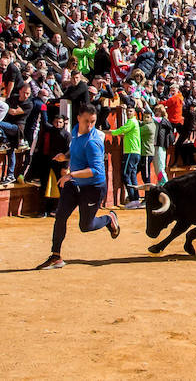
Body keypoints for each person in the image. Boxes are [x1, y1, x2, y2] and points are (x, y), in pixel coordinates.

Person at [35, 103, 120, 269]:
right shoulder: (75, 131)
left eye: (93, 122)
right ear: (78, 118)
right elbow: (74, 149)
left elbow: (95, 170)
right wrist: (65, 157)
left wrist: (71, 174)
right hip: (74, 184)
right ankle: (56, 256)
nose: (89, 125)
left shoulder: (93, 142)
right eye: (86, 121)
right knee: (60, 216)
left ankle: (109, 219)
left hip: (92, 187)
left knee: (86, 226)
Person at [110, 104, 142, 205]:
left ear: (134, 113)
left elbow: (121, 130)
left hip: (130, 152)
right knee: (132, 175)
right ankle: (135, 198)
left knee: (126, 174)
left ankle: (132, 199)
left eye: (131, 111)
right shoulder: (134, 122)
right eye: (127, 111)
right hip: (135, 152)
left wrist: (110, 132)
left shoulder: (131, 122)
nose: (129, 113)